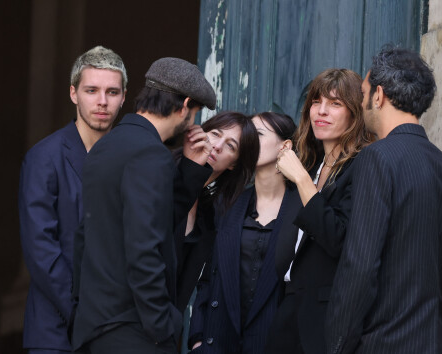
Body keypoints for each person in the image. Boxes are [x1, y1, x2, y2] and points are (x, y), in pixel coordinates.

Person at [325, 47, 442, 354]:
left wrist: (338, 345)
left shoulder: (377, 158)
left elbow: (359, 266)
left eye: (363, 94)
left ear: (378, 95)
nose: (362, 103)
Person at [71, 57, 216, 354]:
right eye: (196, 113)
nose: (193, 122)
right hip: (132, 330)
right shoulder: (150, 154)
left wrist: (189, 169)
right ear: (185, 105)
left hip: (97, 327)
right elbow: (144, 247)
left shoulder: (106, 146)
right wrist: (162, 326)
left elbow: (86, 237)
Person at [18, 46, 126, 354]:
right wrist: (83, 314)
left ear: (124, 96)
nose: (102, 101)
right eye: (91, 90)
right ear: (73, 93)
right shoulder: (44, 158)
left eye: (112, 91)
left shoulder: (132, 161)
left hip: (118, 333)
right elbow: (41, 250)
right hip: (56, 333)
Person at [266, 68, 374, 354]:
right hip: (289, 308)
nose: (321, 112)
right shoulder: (312, 165)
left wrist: (301, 180)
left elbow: (338, 238)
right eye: (316, 102)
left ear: (354, 113)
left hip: (327, 317)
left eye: (335, 104)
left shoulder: (361, 167)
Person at [189, 112, 298, 354]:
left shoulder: (302, 209)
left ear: (285, 146)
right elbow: (207, 279)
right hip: (217, 344)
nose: (249, 141)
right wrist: (197, 338)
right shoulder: (226, 205)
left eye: (257, 135)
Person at [175, 111, 260, 312]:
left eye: (231, 145)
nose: (217, 146)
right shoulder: (161, 178)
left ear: (234, 164)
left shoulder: (209, 216)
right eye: (215, 134)